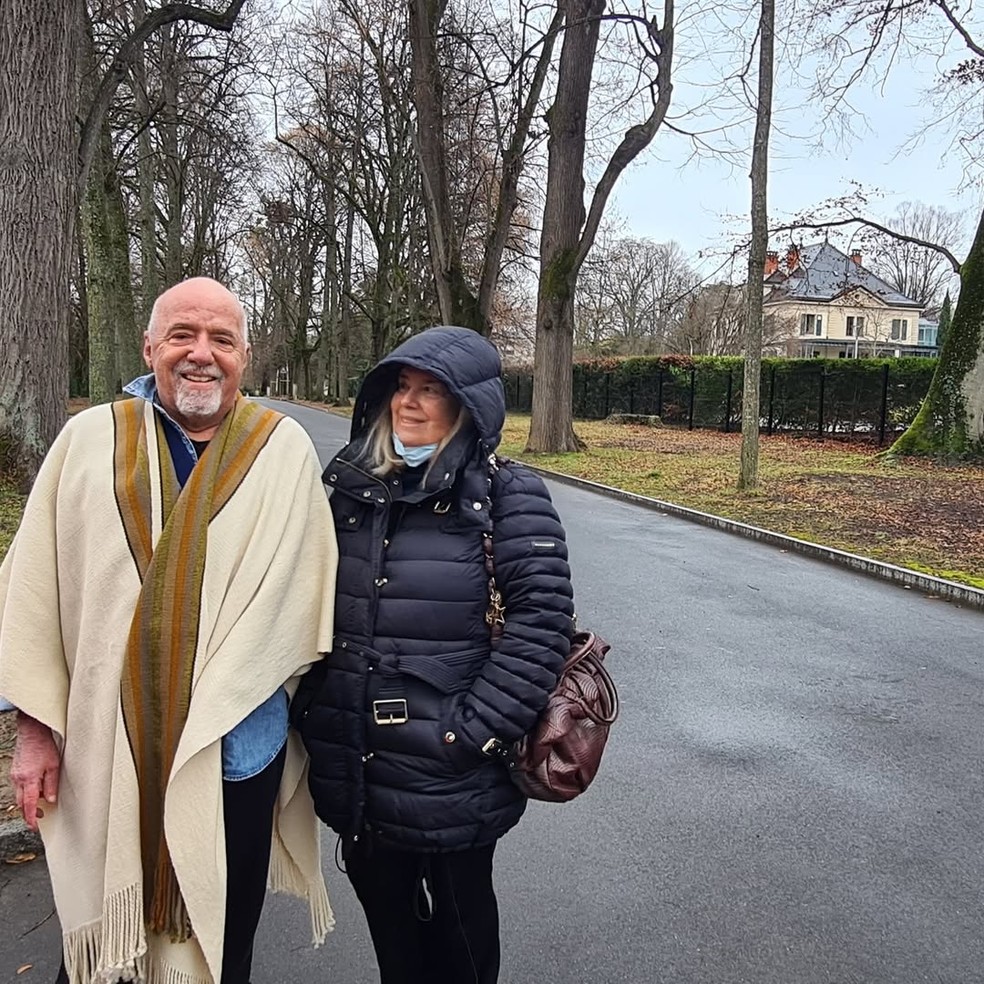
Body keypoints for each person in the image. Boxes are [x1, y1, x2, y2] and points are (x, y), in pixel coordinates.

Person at [0, 278, 338, 984]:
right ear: (149, 347)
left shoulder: (283, 451)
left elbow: (303, 601)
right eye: (182, 335)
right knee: (103, 947)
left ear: (245, 356)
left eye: (221, 339)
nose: (201, 354)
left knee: (222, 940)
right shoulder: (88, 441)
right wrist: (33, 732)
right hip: (105, 743)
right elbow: (33, 592)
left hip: (236, 746)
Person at [293, 326, 575, 984]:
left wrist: (469, 733)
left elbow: (542, 626)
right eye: (401, 386)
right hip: (359, 764)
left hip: (452, 773)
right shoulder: (352, 492)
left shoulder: (507, 495)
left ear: (470, 406)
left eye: (430, 390)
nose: (409, 402)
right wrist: (315, 713)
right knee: (393, 939)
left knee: (460, 937)